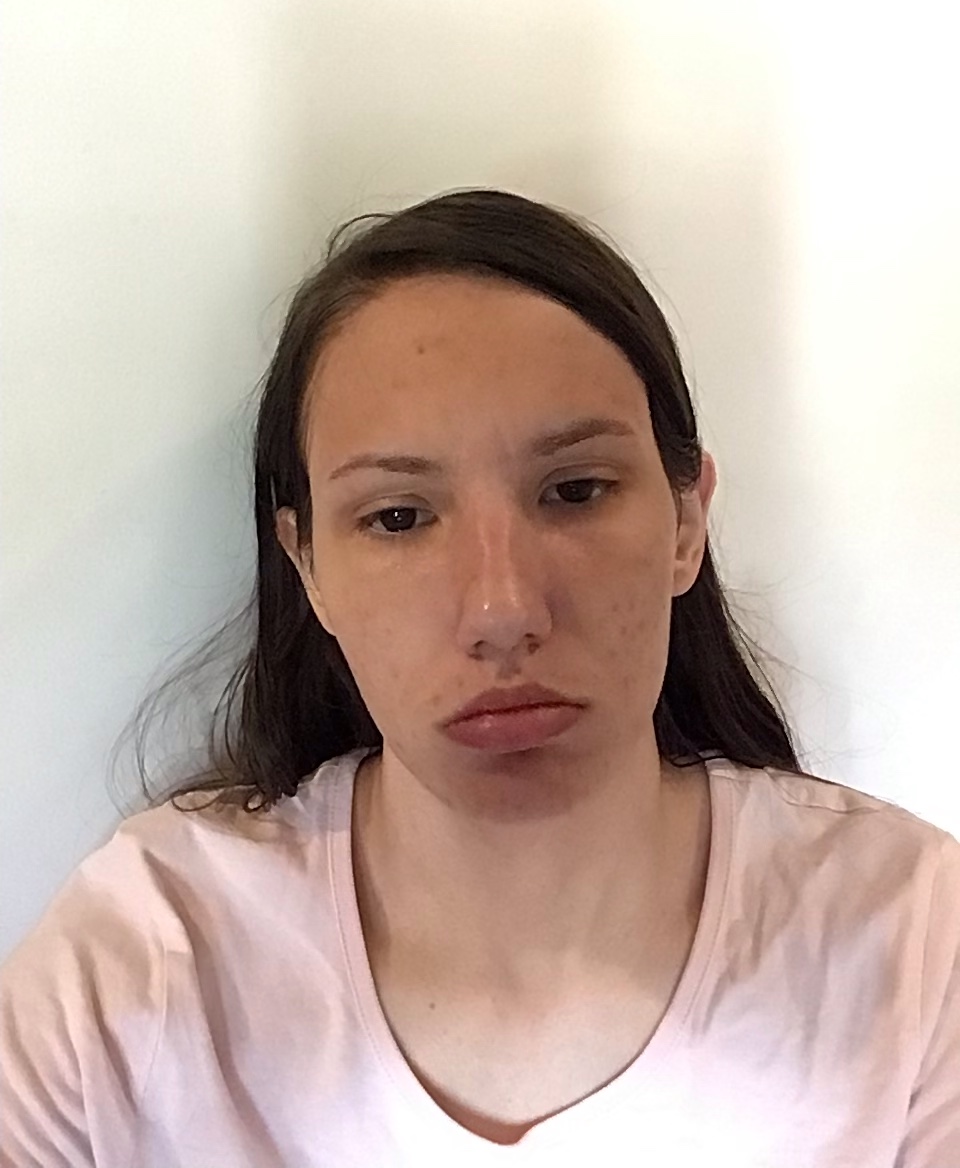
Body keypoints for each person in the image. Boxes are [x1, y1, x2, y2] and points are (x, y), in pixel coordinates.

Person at [1, 189, 957, 1167]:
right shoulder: (135, 968)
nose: (503, 611)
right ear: (308, 566)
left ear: (685, 523)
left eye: (575, 491)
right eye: (399, 517)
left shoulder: (916, 947)